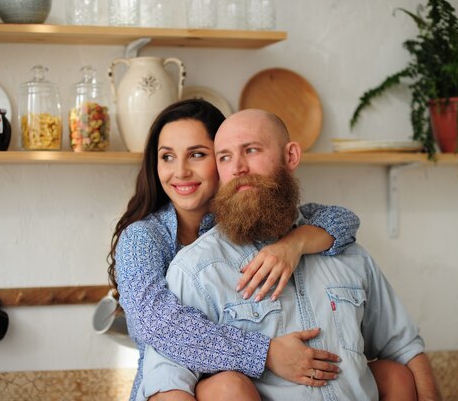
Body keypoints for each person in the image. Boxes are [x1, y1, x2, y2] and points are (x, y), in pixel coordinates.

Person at [139, 109, 442, 401]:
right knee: (223, 388)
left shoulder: (348, 255)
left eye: (252, 150)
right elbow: (166, 380)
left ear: (291, 156)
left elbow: (404, 347)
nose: (238, 168)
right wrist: (264, 353)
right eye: (225, 157)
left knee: (397, 375)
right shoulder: (196, 270)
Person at [108, 100, 362, 401]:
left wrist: (294, 245)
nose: (180, 171)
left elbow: (343, 220)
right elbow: (157, 324)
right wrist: (265, 353)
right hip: (174, 385)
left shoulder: (249, 218)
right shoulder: (143, 238)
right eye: (167, 157)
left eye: (197, 155)